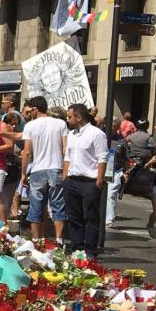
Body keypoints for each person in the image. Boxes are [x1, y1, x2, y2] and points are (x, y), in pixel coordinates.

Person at [60, 104, 109, 254]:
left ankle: (90, 251)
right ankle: (77, 249)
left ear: (78, 117)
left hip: (89, 181)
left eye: (69, 117)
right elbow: (67, 157)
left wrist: (99, 181)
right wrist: (65, 177)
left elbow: (102, 157)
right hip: (72, 180)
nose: (67, 120)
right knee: (74, 217)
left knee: (91, 217)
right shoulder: (72, 135)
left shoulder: (96, 134)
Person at [20, 97, 67, 241]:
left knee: (36, 206)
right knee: (58, 205)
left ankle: (35, 239)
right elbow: (66, 148)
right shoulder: (60, 123)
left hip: (38, 169)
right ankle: (59, 239)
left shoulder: (30, 126)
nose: (29, 114)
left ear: (35, 109)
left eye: (30, 111)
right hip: (57, 167)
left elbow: (27, 152)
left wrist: (23, 173)